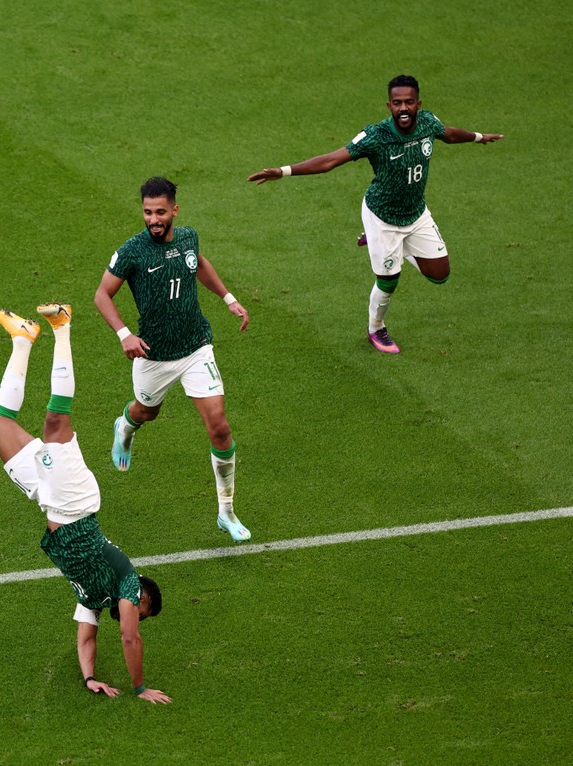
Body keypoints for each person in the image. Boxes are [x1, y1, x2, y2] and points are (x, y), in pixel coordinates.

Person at [0, 302, 170, 704]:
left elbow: (86, 640)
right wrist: (139, 688)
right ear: (141, 599)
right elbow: (128, 638)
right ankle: (63, 326)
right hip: (75, 501)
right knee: (55, 422)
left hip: (50, 501)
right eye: (141, 613)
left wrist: (90, 679)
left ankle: (22, 337)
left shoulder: (93, 596)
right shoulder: (125, 579)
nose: (133, 618)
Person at [246, 74, 503, 354]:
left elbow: (450, 134)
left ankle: (390, 248)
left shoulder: (428, 122)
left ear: (418, 103)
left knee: (440, 275)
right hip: (382, 216)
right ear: (388, 105)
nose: (403, 108)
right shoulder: (376, 136)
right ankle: (376, 328)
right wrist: (283, 171)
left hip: (416, 213)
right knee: (389, 280)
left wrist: (478, 137)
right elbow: (330, 161)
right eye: (396, 103)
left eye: (409, 102)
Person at [94, 177, 252, 543]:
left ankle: (226, 512)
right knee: (147, 412)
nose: (153, 219)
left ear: (174, 210)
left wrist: (228, 298)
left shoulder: (187, 238)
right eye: (148, 212)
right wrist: (124, 335)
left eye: (160, 212)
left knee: (220, 426)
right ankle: (125, 427)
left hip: (196, 346)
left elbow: (199, 265)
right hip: (154, 355)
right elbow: (102, 294)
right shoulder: (132, 251)